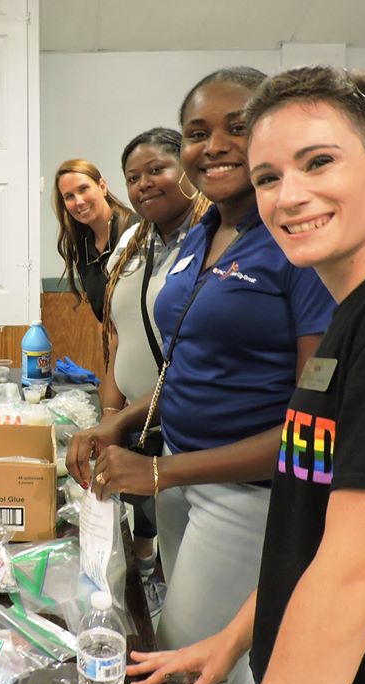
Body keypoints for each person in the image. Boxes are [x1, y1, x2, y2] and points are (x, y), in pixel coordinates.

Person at [128, 64, 365, 684]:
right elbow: (318, 529)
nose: (289, 195)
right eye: (269, 176)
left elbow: (358, 575)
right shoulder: (358, 313)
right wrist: (234, 637)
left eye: (319, 162)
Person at [67, 67, 335, 684]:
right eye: (196, 131)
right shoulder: (202, 237)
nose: (213, 145)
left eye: (236, 127)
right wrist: (119, 423)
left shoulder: (296, 243)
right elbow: (179, 365)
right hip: (178, 472)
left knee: (185, 658)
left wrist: (160, 471)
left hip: (249, 493)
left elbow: (316, 429)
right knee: (216, 658)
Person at [99, 127, 212, 591]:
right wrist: (112, 416)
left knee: (197, 569)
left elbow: (197, 361)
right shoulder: (130, 246)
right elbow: (119, 340)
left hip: (194, 431)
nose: (143, 183)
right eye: (132, 176)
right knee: (163, 546)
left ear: (187, 168)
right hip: (138, 424)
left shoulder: (214, 244)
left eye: (156, 169)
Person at [54, 159, 137, 322]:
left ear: (102, 187)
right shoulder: (81, 246)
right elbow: (108, 322)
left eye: (83, 189)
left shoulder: (138, 230)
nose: (79, 201)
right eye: (69, 196)